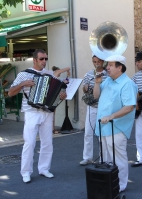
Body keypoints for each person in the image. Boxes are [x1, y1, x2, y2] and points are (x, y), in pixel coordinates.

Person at [8, 49, 67, 183]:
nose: (44, 61)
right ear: (34, 60)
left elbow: (57, 92)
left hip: (47, 112)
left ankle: (44, 168)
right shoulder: (24, 74)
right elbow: (10, 93)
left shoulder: (49, 74)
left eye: (46, 59)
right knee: (29, 142)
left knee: (47, 142)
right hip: (31, 112)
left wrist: (62, 96)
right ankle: (26, 172)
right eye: (41, 59)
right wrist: (23, 84)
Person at [93, 55, 138, 192]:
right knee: (105, 158)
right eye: (108, 64)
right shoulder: (107, 81)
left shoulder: (127, 84)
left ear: (120, 67)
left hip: (117, 127)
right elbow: (96, 96)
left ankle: (121, 184)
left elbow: (129, 106)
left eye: (111, 65)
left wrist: (111, 116)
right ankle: (108, 182)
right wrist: (97, 82)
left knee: (118, 157)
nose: (107, 67)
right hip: (103, 126)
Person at [79, 54, 107, 165]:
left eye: (98, 61)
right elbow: (84, 88)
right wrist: (85, 88)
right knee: (88, 133)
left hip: (103, 107)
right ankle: (87, 157)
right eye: (94, 62)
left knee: (102, 134)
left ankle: (103, 157)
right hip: (92, 106)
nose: (96, 64)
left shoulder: (107, 74)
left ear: (103, 61)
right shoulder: (89, 74)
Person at [52, 66, 70, 134]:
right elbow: (67, 68)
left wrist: (67, 76)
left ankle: (52, 129)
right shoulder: (54, 76)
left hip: (55, 98)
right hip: (52, 98)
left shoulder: (57, 80)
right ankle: (52, 129)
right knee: (52, 115)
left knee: (53, 114)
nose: (59, 73)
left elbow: (66, 81)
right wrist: (68, 70)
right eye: (58, 72)